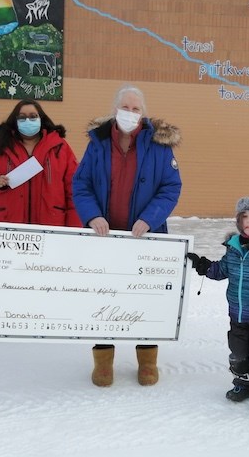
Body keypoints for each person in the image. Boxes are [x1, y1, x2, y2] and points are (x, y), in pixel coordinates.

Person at [72, 85, 182, 387]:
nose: (130, 113)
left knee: (143, 299)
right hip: (104, 240)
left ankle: (147, 360)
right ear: (114, 108)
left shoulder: (160, 144)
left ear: (143, 113)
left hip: (144, 239)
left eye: (135, 109)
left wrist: (149, 219)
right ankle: (103, 360)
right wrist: (92, 215)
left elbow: (171, 187)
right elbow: (81, 185)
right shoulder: (98, 143)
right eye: (125, 107)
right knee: (103, 298)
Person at [187, 197, 249, 412]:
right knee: (238, 353)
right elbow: (222, 270)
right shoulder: (233, 248)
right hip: (237, 314)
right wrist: (203, 265)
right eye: (244, 217)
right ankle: (244, 384)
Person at [0, 99, 81, 227]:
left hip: (51, 224)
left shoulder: (59, 147)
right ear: (15, 120)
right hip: (8, 225)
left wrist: (74, 227)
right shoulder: (0, 145)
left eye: (33, 116)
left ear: (41, 118)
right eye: (22, 117)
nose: (28, 121)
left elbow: (74, 188)